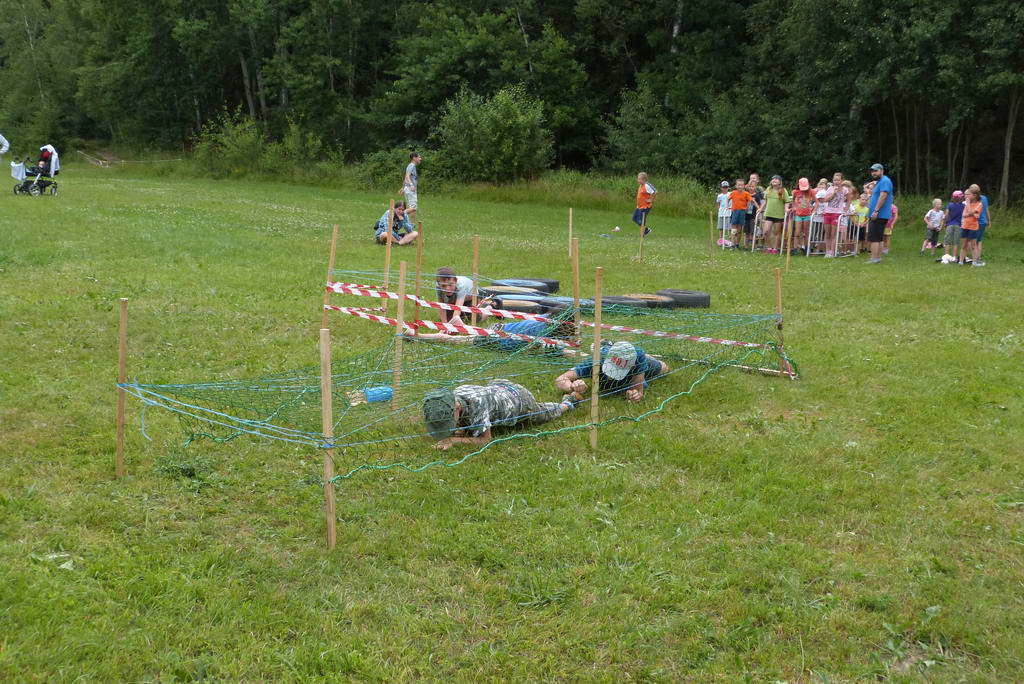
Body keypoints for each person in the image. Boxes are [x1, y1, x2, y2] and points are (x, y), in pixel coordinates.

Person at [422, 381, 582, 450]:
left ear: (456, 408)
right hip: (500, 386)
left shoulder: (477, 405)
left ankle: (568, 403)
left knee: (542, 414)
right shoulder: (456, 394)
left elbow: (485, 440)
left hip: (520, 401)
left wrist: (453, 440)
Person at [554, 340, 668, 403]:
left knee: (664, 368)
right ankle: (607, 345)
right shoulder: (596, 361)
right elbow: (560, 379)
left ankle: (648, 357)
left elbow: (638, 390)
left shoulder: (638, 359)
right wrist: (572, 386)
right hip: (604, 354)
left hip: (641, 360)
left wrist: (635, 394)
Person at [414, 319, 575, 356]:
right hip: (493, 340)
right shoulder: (545, 336)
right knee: (454, 341)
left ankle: (459, 323)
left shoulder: (544, 321)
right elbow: (530, 350)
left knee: (468, 335)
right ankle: (418, 336)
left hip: (498, 328)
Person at [865, 163, 893, 264]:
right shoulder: (880, 182)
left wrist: (876, 211)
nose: (873, 173)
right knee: (879, 237)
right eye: (872, 171)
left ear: (882, 171)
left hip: (879, 214)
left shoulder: (885, 181)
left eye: (876, 171)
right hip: (879, 214)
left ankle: (874, 258)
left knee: (874, 238)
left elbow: (883, 196)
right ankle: (877, 258)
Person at [822, 173, 850, 257]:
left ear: (842, 181)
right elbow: (825, 200)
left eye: (838, 180)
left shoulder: (845, 190)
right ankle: (827, 251)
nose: (836, 182)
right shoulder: (830, 188)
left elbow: (849, 200)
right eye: (834, 180)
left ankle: (832, 251)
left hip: (837, 213)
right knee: (827, 234)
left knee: (833, 234)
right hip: (827, 213)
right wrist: (833, 193)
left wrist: (846, 210)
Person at [762, 175, 790, 254]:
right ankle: (769, 247)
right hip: (769, 213)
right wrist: (761, 208)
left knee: (777, 232)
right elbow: (765, 201)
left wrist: (786, 208)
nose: (774, 180)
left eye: (777, 179)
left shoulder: (783, 190)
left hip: (778, 214)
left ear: (780, 182)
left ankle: (775, 248)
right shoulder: (768, 189)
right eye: (773, 179)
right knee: (766, 231)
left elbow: (787, 201)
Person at [959, 188, 983, 266]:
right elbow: (964, 215)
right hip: (965, 226)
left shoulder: (979, 204)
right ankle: (960, 262)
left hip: (973, 227)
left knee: (973, 245)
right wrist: (973, 214)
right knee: (964, 245)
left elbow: (975, 215)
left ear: (974, 195)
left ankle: (974, 262)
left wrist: (968, 206)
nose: (967, 196)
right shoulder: (967, 204)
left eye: (969, 194)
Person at [727, 179, 754, 249]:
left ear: (744, 186)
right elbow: (728, 199)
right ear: (736, 186)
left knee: (739, 229)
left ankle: (737, 243)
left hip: (742, 211)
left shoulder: (746, 193)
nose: (740, 186)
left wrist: (748, 207)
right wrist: (727, 206)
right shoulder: (733, 193)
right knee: (734, 228)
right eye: (738, 185)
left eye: (741, 185)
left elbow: (751, 201)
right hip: (735, 211)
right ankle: (732, 243)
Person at [791, 178, 815, 254]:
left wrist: (813, 211)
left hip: (807, 214)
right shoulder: (795, 192)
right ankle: (795, 249)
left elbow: (817, 202)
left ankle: (806, 248)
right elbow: (792, 200)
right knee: (797, 233)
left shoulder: (811, 191)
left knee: (805, 233)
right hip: (798, 214)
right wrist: (794, 207)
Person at [968, 183, 989, 267]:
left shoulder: (972, 199)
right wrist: (988, 220)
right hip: (983, 222)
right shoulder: (984, 198)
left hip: (976, 221)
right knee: (979, 241)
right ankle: (977, 258)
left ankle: (974, 259)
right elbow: (986, 210)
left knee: (972, 241)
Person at [940, 191, 965, 262]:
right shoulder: (963, 206)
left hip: (950, 225)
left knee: (947, 241)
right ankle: (954, 257)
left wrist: (945, 223)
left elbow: (946, 215)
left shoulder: (950, 205)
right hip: (958, 225)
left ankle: (946, 256)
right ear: (961, 198)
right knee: (956, 242)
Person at [398, 152, 421, 223]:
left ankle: (411, 224)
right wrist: (411, 185)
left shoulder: (411, 166)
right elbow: (407, 175)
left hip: (408, 188)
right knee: (413, 208)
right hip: (410, 189)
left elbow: (406, 177)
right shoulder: (412, 165)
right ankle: (397, 214)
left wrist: (403, 187)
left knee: (412, 208)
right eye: (419, 157)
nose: (420, 159)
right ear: (414, 158)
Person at [633, 172, 657, 236]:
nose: (638, 180)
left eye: (639, 179)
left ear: (644, 179)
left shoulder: (647, 185)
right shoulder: (641, 185)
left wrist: (651, 200)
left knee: (641, 220)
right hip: (639, 206)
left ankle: (642, 234)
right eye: (638, 179)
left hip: (645, 207)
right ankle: (646, 230)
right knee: (635, 218)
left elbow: (654, 191)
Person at [744, 174, 765, 249]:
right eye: (751, 178)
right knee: (747, 230)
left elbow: (763, 200)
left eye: (754, 178)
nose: (752, 179)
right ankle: (747, 245)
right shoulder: (746, 189)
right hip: (747, 214)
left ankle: (759, 244)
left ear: (758, 180)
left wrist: (761, 209)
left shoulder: (760, 189)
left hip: (758, 211)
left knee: (758, 228)